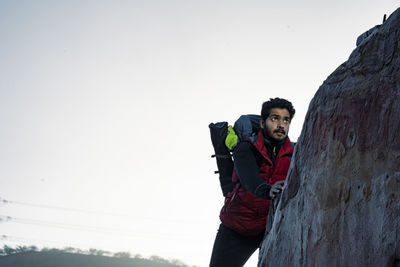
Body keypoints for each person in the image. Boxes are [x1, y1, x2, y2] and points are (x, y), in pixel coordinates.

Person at [209, 97, 295, 267]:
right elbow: (249, 178)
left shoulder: (295, 152)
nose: (281, 125)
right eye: (275, 119)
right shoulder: (246, 147)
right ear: (263, 123)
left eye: (286, 120)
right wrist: (266, 190)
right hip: (237, 228)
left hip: (270, 228)